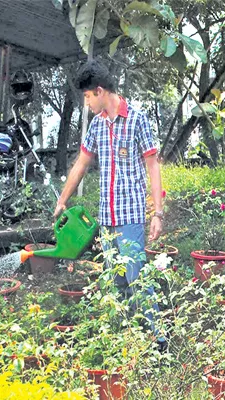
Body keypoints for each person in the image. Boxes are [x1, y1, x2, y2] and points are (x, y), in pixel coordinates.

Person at [54, 60, 166, 350]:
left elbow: (153, 166)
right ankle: (128, 337)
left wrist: (158, 212)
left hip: (130, 216)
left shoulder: (137, 119)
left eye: (88, 97)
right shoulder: (96, 125)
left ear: (100, 91)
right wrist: (62, 199)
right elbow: (81, 163)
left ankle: (158, 340)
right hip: (107, 218)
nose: (87, 103)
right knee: (116, 280)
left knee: (137, 277)